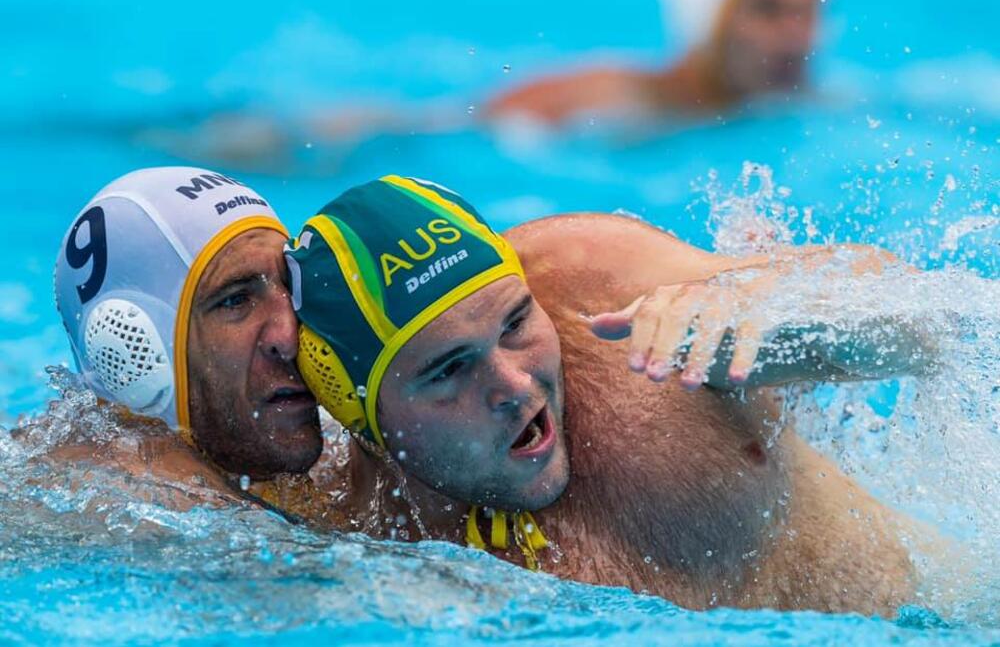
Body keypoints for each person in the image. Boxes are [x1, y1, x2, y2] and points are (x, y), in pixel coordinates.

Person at [284, 174, 936, 615]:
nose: (515, 385)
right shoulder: (353, 530)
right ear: (365, 423)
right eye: (449, 370)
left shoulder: (604, 286)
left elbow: (922, 320)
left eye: (516, 323)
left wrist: (769, 311)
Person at [48, 166, 321, 510]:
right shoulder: (101, 499)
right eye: (235, 300)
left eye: (289, 284)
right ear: (135, 350)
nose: (290, 335)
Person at [488, 0, 821, 125]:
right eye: (767, 10)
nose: (797, 39)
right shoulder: (599, 101)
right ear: (708, 21)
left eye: (807, 12)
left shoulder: (821, 105)